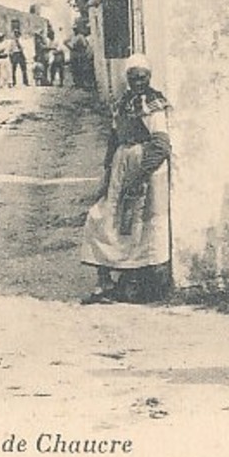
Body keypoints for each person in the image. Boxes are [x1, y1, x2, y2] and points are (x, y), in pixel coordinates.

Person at [80, 54, 172, 304]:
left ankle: (136, 283)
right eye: (133, 78)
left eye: (142, 77)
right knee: (101, 217)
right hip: (121, 167)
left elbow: (161, 144)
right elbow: (113, 139)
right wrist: (108, 171)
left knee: (138, 225)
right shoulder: (122, 103)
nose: (138, 82)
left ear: (149, 77)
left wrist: (140, 173)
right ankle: (105, 281)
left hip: (144, 169)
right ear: (127, 79)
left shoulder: (153, 104)